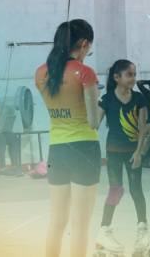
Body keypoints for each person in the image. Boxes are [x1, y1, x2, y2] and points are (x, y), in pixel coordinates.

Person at [35, 20, 102, 257]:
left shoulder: (41, 72)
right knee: (81, 226)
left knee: (57, 222)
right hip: (84, 148)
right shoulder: (85, 72)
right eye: (88, 49)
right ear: (84, 44)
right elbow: (93, 122)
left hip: (57, 151)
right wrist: (99, 101)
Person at [93, 59, 150, 257]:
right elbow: (93, 124)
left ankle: (143, 229)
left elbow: (143, 128)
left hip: (133, 152)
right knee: (115, 191)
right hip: (114, 153)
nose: (133, 79)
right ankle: (104, 230)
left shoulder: (139, 98)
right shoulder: (107, 99)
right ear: (117, 78)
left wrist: (139, 152)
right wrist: (93, 98)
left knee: (136, 190)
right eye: (129, 75)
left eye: (134, 75)